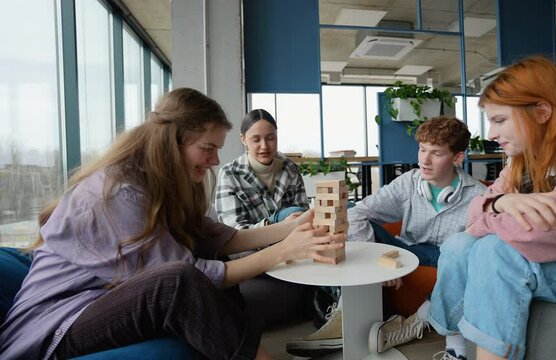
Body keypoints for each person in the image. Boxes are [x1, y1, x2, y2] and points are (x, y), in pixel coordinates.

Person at [0, 88, 344, 360]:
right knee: (178, 282)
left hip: (100, 297)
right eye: (207, 148)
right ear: (172, 142)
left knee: (217, 287)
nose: (214, 161)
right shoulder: (119, 191)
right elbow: (188, 273)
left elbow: (205, 234)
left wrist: (289, 228)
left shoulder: (155, 183)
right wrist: (283, 251)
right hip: (61, 320)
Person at [421, 56, 556, 360]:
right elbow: (472, 216)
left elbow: (533, 232)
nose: (490, 134)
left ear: (541, 112)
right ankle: (455, 347)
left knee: (495, 252)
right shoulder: (523, 163)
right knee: (459, 244)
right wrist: (501, 201)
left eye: (499, 120)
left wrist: (492, 210)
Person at [286, 116, 486, 358]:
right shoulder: (409, 183)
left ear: (457, 157)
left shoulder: (479, 196)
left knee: (471, 252)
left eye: (436, 153)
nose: (424, 159)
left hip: (449, 258)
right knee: (350, 215)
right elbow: (357, 214)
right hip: (407, 250)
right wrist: (378, 263)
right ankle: (343, 315)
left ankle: (424, 322)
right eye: (422, 149)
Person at [215, 109, 311, 326]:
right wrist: (276, 224)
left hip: (289, 238)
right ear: (243, 140)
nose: (264, 146)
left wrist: (292, 225)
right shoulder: (230, 173)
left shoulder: (290, 168)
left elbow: (303, 213)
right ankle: (313, 294)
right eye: (256, 139)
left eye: (270, 138)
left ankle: (331, 304)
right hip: (246, 246)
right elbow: (234, 232)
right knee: (290, 216)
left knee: (307, 223)